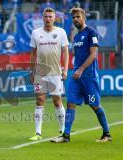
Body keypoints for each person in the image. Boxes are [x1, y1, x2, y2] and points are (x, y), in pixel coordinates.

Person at [51, 8, 111, 143]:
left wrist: (81, 69)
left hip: (88, 76)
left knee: (95, 105)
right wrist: (74, 70)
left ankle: (107, 134)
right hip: (76, 76)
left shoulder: (91, 33)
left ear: (84, 17)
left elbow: (93, 55)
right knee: (70, 103)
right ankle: (66, 135)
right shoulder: (76, 36)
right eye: (73, 17)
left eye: (78, 16)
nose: (75, 19)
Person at [29, 7, 69, 141]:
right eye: (46, 16)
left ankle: (62, 130)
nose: (48, 19)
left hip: (56, 72)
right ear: (43, 18)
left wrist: (65, 69)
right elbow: (33, 54)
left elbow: (66, 52)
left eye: (50, 17)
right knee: (39, 100)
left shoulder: (61, 32)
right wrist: (32, 71)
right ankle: (38, 133)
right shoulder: (35, 33)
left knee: (57, 101)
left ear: (54, 18)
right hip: (40, 72)